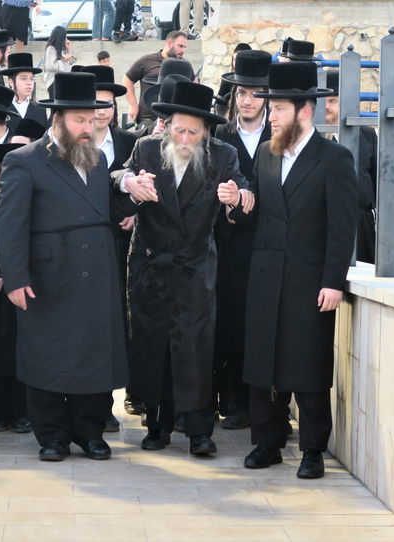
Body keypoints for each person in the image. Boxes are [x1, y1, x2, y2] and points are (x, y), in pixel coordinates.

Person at [0, 72, 130, 461]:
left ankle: (90, 431)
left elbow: (105, 208)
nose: (88, 127)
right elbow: (9, 225)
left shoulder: (99, 159)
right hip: (48, 275)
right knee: (48, 354)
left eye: (91, 119)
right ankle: (51, 434)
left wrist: (131, 194)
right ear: (58, 119)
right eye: (79, 120)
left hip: (97, 272)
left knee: (94, 353)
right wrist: (15, 278)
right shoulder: (24, 160)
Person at [117, 80, 253, 456]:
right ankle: (156, 425)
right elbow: (118, 182)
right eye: (179, 130)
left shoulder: (223, 155)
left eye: (193, 132)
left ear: (206, 131)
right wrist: (129, 184)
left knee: (195, 349)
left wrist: (236, 198)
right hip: (151, 267)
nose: (185, 138)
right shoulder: (145, 149)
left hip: (195, 268)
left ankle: (198, 431)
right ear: (167, 126)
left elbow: (245, 197)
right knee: (154, 347)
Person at [241, 61, 357, 478]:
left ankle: (312, 450)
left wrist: (333, 281)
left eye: (278, 109)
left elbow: (343, 228)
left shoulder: (334, 158)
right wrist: (238, 203)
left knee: (308, 365)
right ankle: (267, 442)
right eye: (271, 108)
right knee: (263, 362)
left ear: (304, 111)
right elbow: (257, 213)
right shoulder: (266, 154)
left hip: (308, 281)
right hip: (266, 275)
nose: (270, 115)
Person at [212, 49, 272, 431]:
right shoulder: (220, 134)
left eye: (255, 93)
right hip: (229, 246)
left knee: (263, 327)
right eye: (241, 93)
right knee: (231, 323)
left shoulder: (279, 134)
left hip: (269, 245)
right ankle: (233, 401)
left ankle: (264, 404)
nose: (247, 100)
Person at [84, 64, 139, 431]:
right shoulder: (73, 144)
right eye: (96, 104)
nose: (102, 111)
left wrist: (135, 213)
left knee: (115, 323)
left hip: (121, 247)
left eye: (108, 104)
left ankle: (107, 404)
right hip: (82, 247)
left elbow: (145, 186)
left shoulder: (129, 144)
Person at [0, 142, 33, 433]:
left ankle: (23, 411)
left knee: (21, 350)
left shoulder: (27, 194)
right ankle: (1, 412)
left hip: (20, 282)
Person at [324, 70, 378, 264]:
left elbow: (377, 180)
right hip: (325, 223)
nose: (327, 106)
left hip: (361, 225)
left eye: (333, 101)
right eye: (324, 101)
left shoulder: (367, 135)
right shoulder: (312, 137)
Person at [123, 31, 189, 126]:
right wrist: (133, 105)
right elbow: (127, 80)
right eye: (180, 46)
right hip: (148, 119)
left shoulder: (185, 65)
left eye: (185, 47)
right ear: (169, 43)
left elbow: (194, 85)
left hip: (175, 119)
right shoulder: (147, 60)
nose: (183, 50)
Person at [1, 52, 49, 127]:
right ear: (11, 82)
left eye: (31, 79)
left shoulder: (40, 109)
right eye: (24, 78)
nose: (29, 83)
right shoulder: (2, 109)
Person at [43, 27, 77, 100]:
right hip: (54, 81)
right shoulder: (51, 48)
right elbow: (50, 66)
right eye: (64, 36)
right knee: (55, 103)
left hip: (64, 80)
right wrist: (63, 59)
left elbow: (71, 61)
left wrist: (68, 48)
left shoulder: (62, 48)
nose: (66, 38)